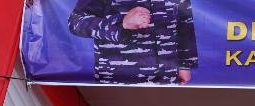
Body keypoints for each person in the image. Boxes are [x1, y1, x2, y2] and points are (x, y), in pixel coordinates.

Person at [69, 0, 198, 85]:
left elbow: (184, 21)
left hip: (168, 78)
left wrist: (184, 65)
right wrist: (121, 23)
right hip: (121, 81)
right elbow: (75, 22)